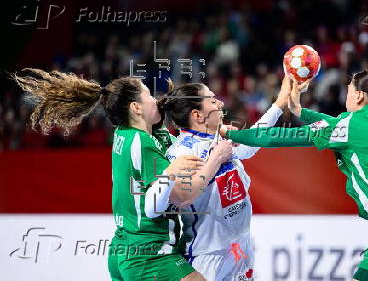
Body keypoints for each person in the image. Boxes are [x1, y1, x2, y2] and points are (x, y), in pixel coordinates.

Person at [13, 68, 233, 280]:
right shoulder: (142, 143)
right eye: (148, 94)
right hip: (149, 254)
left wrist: (209, 129)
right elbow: (181, 196)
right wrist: (215, 158)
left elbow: (175, 139)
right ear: (137, 108)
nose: (156, 99)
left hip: (123, 248)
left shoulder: (129, 132)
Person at [225, 69, 368, 281]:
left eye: (349, 91)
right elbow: (337, 125)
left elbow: (273, 137)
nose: (347, 96)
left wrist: (229, 133)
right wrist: (300, 111)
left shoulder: (352, 125)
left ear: (359, 96)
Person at [159, 77, 290, 280]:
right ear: (198, 115)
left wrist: (280, 103)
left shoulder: (220, 136)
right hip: (209, 255)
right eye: (212, 100)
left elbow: (252, 142)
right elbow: (182, 197)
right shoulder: (182, 152)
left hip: (239, 246)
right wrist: (215, 158)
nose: (220, 103)